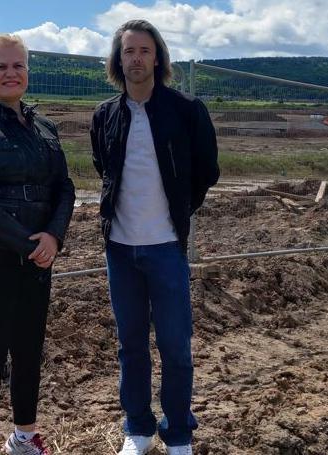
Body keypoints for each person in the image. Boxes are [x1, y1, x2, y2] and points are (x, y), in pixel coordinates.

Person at [89, 20, 219, 455]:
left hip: (166, 247)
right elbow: (103, 168)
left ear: (158, 57)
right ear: (118, 59)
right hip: (120, 250)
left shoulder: (185, 110)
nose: (137, 59)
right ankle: (138, 431)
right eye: (129, 51)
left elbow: (207, 170)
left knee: (175, 346)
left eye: (145, 50)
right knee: (131, 346)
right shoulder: (105, 115)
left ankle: (179, 433)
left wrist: (180, 209)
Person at [0, 34, 75, 455]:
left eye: (18, 65)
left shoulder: (46, 128)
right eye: (1, 67)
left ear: (28, 71)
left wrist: (54, 236)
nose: (11, 73)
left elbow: (64, 187)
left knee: (29, 351)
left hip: (39, 257)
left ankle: (24, 437)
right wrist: (28, 244)